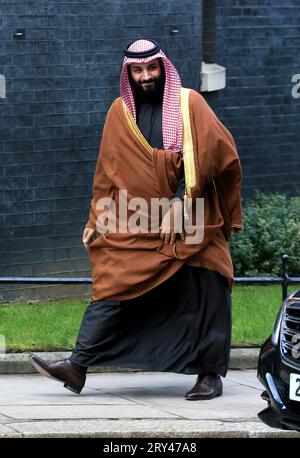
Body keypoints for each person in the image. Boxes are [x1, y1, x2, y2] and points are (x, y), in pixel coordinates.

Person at [31, 39, 243, 401]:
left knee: (210, 277)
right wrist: (95, 216)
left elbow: (218, 154)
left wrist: (182, 202)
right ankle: (77, 367)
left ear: (164, 68)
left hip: (192, 217)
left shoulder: (189, 103)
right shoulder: (119, 112)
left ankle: (209, 375)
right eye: (138, 70)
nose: (146, 76)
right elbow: (107, 173)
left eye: (152, 68)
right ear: (129, 73)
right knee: (114, 281)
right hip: (136, 219)